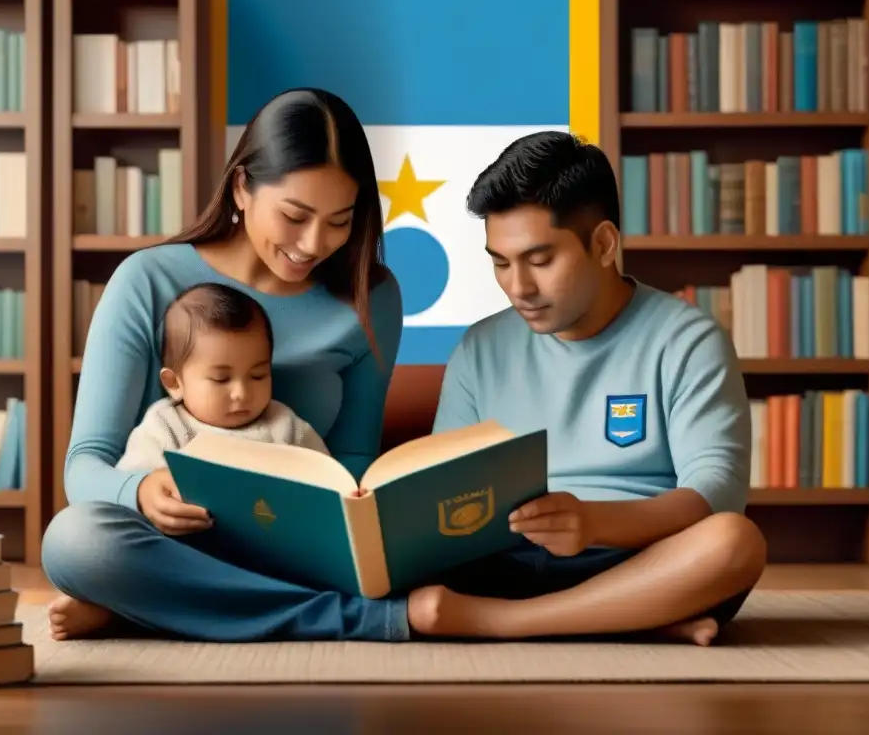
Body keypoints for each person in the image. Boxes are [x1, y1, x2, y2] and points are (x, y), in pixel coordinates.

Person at [41, 88, 418, 642]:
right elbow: (86, 465)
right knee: (77, 542)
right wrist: (142, 493)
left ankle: (150, 607)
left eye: (340, 220)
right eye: (295, 216)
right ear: (242, 187)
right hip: (175, 538)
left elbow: (355, 456)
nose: (315, 243)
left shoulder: (371, 296)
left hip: (296, 546)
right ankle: (365, 621)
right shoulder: (146, 281)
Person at [406, 131, 767, 646]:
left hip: (639, 556)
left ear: (603, 244)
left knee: (734, 543)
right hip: (503, 558)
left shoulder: (687, 339)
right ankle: (638, 620)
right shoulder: (479, 347)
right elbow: (439, 484)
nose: (518, 288)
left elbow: (715, 492)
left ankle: (501, 623)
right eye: (500, 262)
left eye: (540, 260)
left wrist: (595, 523)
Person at [115, 281, 330, 478]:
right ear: (174, 383)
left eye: (258, 375)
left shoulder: (285, 425)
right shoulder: (165, 427)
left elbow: (328, 474)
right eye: (221, 379)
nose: (242, 393)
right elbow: (135, 483)